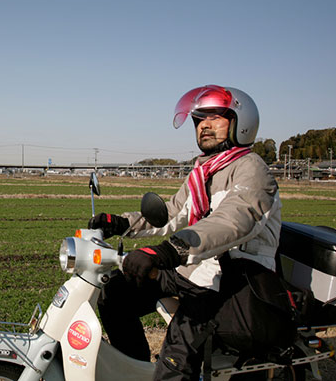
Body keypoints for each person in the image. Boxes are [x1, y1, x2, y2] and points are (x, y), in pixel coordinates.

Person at [90, 85, 292, 380]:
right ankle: (137, 369)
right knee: (115, 294)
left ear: (241, 123)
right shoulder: (203, 171)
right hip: (194, 270)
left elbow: (231, 222)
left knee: (177, 356)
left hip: (232, 279)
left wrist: (166, 252)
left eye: (216, 117)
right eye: (199, 119)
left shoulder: (252, 170)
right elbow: (172, 213)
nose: (205, 125)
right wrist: (120, 223)